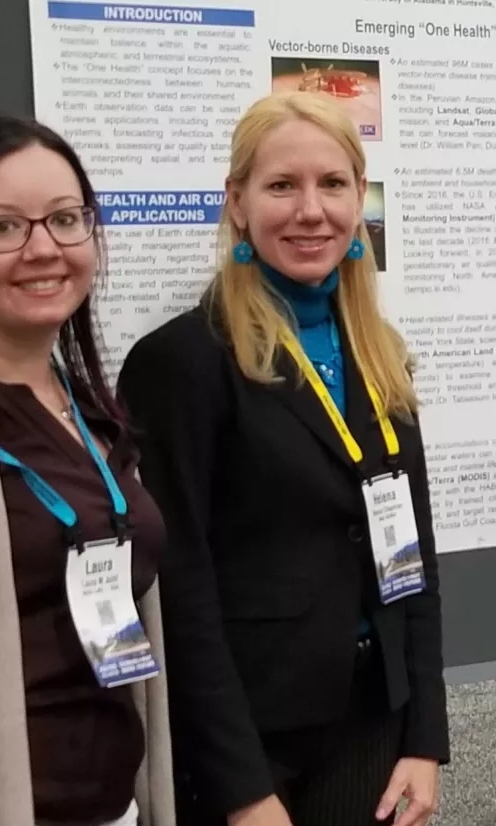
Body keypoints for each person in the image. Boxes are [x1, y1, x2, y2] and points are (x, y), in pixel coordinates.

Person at [116, 91, 448, 826]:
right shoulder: (181, 363)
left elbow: (411, 556)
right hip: (251, 740)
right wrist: (241, 788)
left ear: (360, 198)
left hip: (371, 720)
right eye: (281, 186)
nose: (311, 209)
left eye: (332, 184)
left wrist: (424, 738)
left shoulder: (377, 354)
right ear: (237, 203)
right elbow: (180, 589)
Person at [0, 115, 175, 826]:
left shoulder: (85, 404)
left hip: (113, 803)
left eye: (66, 220)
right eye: (2, 227)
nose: (44, 249)